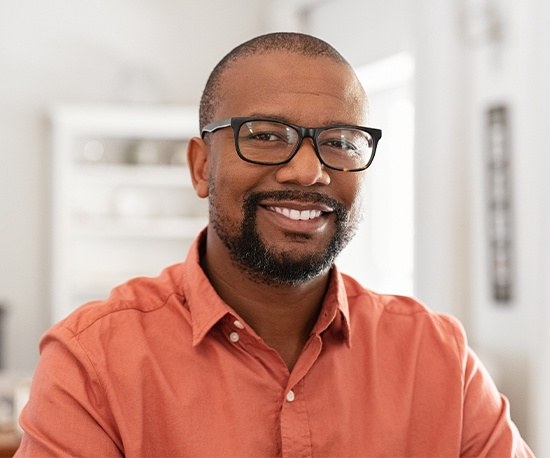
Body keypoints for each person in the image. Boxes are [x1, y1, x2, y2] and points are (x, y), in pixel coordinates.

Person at [15, 32, 532, 457]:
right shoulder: (93, 363)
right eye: (265, 136)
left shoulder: (438, 358)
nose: (308, 171)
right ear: (201, 167)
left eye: (340, 142)